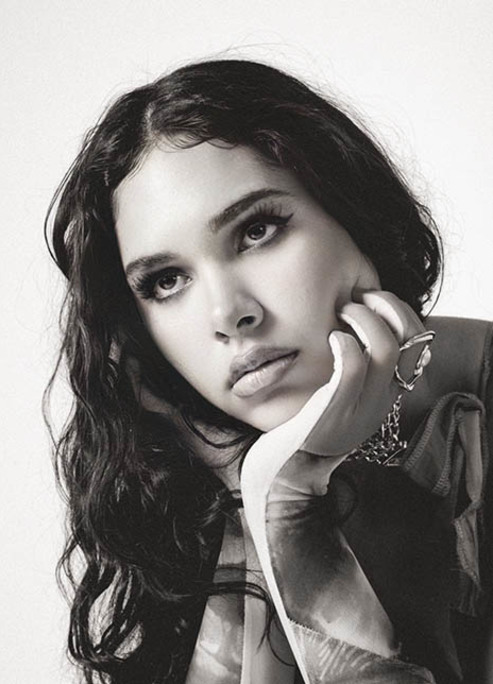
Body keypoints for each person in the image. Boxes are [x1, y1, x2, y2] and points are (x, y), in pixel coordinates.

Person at [45, 59, 493, 684]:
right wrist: (264, 488)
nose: (228, 314)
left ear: (354, 213)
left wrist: (286, 502)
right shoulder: (209, 466)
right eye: (167, 281)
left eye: (256, 231)